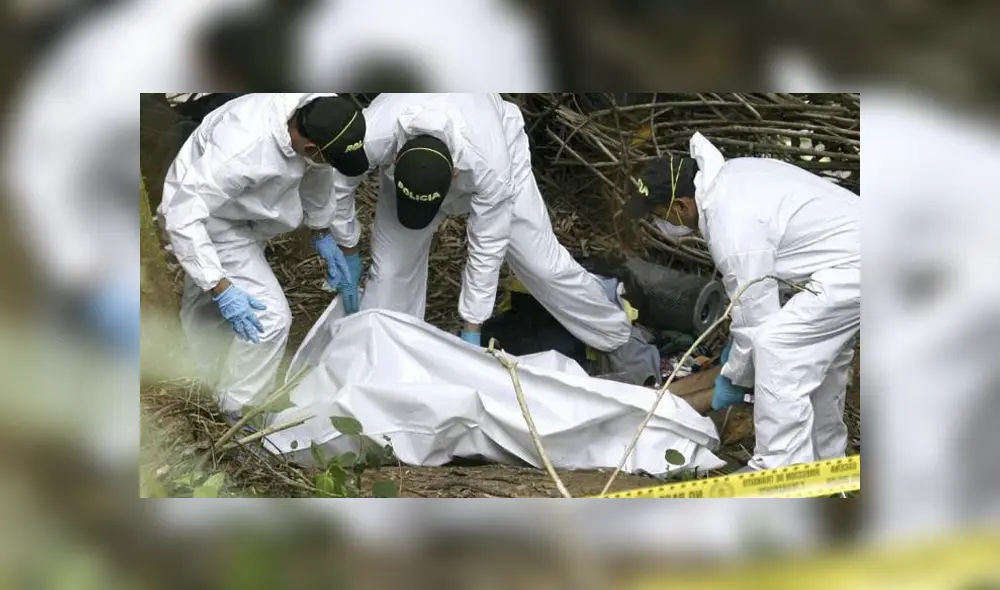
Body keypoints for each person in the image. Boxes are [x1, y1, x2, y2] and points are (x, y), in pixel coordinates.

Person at [326, 93, 652, 374]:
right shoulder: (374, 134)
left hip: (501, 161)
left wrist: (472, 327)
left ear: (454, 172)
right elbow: (339, 180)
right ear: (395, 157)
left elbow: (486, 249)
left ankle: (616, 334)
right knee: (390, 275)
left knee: (543, 266)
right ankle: (380, 371)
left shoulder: (491, 167)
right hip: (410, 182)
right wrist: (348, 247)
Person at [626, 132, 860, 471]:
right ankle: (826, 464)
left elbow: (756, 317)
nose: (659, 224)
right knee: (819, 363)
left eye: (658, 215)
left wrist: (734, 376)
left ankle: (780, 469)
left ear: (681, 205)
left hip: (857, 264)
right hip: (860, 255)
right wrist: (737, 361)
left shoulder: (728, 219)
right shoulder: (732, 178)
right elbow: (764, 288)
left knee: (777, 347)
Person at [158, 93, 369, 414]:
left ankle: (202, 385)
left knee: (206, 309)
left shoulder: (319, 113)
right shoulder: (242, 149)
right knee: (269, 318)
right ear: (311, 148)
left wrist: (322, 231)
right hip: (209, 218)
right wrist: (221, 287)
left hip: (247, 212)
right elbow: (183, 215)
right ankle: (239, 409)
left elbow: (318, 174)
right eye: (327, 158)